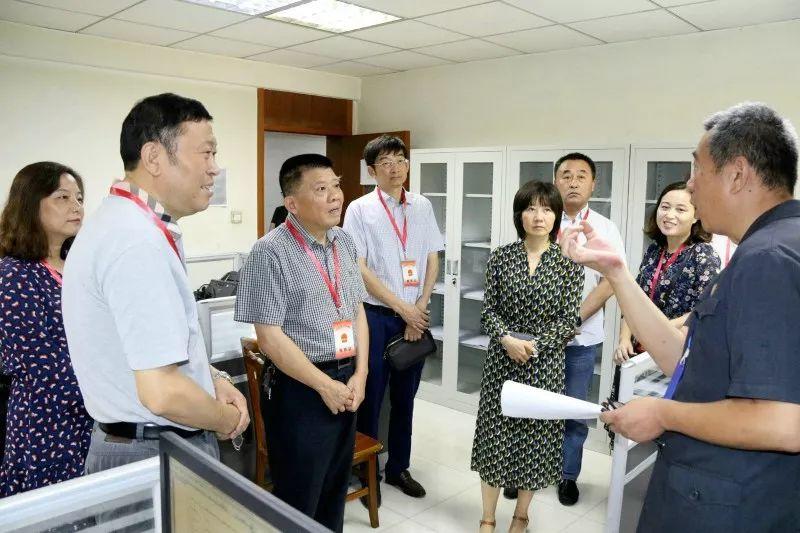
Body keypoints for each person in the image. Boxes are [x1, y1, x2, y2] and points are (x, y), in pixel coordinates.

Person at [562, 102, 800, 532]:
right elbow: (688, 361)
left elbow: (784, 422)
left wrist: (664, 414)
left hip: (728, 506)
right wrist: (616, 272)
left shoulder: (768, 260)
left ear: (737, 173)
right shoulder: (769, 247)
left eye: (697, 170)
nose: (689, 187)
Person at [62, 93, 249, 475]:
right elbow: (162, 391)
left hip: (145, 443)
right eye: (206, 153)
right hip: (151, 453)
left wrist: (214, 379)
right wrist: (222, 420)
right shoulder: (135, 241)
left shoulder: (130, 225)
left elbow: (157, 351)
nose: (215, 169)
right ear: (153, 157)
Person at [234, 154, 368, 533]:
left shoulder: (344, 241)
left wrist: (361, 373)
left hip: (346, 383)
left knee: (333, 492)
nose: (335, 197)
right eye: (321, 189)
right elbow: (269, 337)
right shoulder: (269, 252)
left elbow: (357, 310)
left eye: (336, 186)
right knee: (299, 500)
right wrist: (325, 385)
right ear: (292, 203)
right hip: (301, 389)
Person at [471, 181, 583, 533]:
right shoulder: (501, 256)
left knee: (535, 440)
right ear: (519, 214)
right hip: (502, 361)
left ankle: (521, 515)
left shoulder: (569, 262)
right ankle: (488, 518)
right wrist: (506, 339)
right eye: (531, 208)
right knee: (495, 438)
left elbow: (569, 320)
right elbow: (488, 309)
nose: (539, 216)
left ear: (557, 215)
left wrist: (534, 346)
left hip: (545, 364)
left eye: (547, 209)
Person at [517, 152, 623, 505]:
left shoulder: (606, 229)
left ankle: (567, 476)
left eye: (581, 176)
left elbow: (611, 282)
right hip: (536, 339)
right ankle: (520, 472)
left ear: (594, 184)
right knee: (530, 407)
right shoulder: (540, 221)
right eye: (566, 175)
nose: (573, 181)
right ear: (555, 181)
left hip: (581, 339)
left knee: (573, 410)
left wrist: (571, 321)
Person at [342, 134, 443, 502]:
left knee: (406, 398)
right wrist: (404, 310)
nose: (395, 167)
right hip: (376, 317)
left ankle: (399, 467)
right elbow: (358, 266)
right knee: (370, 396)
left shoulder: (422, 206)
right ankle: (368, 473)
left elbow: (432, 256)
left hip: (413, 315)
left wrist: (421, 304)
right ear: (371, 170)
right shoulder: (360, 209)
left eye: (400, 159)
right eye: (385, 162)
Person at [0, 162, 93, 496]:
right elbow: (42, 366)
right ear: (30, 204)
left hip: (90, 418)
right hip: (46, 425)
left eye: (79, 197)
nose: (77, 206)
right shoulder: (13, 275)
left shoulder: (77, 265)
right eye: (62, 197)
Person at [614, 181, 720, 364]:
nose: (669, 215)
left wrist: (660, 330)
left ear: (696, 215)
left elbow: (704, 309)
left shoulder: (703, 254)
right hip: (639, 353)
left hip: (675, 353)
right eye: (665, 207)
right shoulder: (654, 250)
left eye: (680, 210)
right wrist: (624, 339)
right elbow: (634, 299)